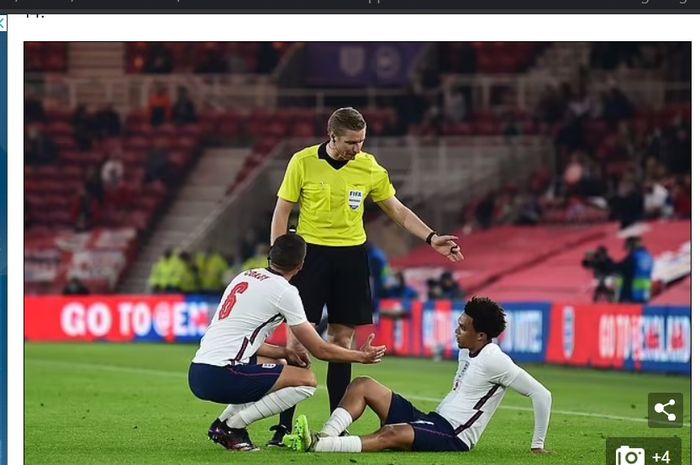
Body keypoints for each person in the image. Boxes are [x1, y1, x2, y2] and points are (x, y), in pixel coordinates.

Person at [270, 107, 464, 421]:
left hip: (351, 257)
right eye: (351, 142)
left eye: (361, 141)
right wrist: (279, 266)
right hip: (310, 256)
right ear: (331, 136)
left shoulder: (369, 167)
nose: (357, 148)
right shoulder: (302, 161)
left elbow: (398, 211)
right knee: (298, 341)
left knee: (342, 341)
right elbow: (282, 212)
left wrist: (432, 237)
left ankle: (336, 425)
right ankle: (283, 426)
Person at [188, 233, 386, 452]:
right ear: (301, 265)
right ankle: (233, 426)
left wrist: (284, 351)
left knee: (283, 362)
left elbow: (244, 339)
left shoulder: (245, 276)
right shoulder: (285, 291)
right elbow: (319, 349)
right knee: (306, 381)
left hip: (198, 372)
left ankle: (221, 424)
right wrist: (361, 356)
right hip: (222, 375)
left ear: (270, 256)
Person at [284, 297, 552, 455]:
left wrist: (537, 445)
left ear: (481, 335)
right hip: (433, 420)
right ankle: (323, 436)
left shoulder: (495, 359)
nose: (456, 331)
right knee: (362, 384)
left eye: (463, 327)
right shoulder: (468, 349)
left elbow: (542, 393)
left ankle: (322, 447)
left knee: (390, 433)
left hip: (453, 437)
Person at [614, 236, 654, 303]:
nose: (628, 251)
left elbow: (619, 269)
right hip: (644, 294)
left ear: (632, 246)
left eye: (628, 248)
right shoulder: (648, 256)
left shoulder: (633, 257)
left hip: (632, 295)